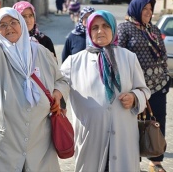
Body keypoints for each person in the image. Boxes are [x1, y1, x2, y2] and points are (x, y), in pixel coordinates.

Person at [0, 0, 68, 171]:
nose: (9, 28)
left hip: (40, 141)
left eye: (13, 22)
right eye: (2, 25)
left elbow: (61, 80)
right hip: (5, 142)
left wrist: (57, 93)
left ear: (22, 25)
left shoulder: (41, 52)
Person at [60, 10, 151, 171]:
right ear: (88, 31)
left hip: (124, 135)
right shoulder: (74, 62)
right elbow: (59, 87)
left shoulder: (129, 58)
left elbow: (144, 90)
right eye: (94, 27)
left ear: (113, 29)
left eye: (105, 26)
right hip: (91, 137)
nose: (100, 31)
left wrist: (135, 97)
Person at [117, 0, 170, 172]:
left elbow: (162, 54)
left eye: (150, 9)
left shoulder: (153, 29)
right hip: (136, 90)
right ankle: (133, 162)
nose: (148, 12)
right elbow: (118, 56)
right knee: (134, 125)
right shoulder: (124, 29)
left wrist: (165, 77)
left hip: (157, 87)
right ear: (136, 10)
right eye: (144, 9)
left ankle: (156, 162)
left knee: (157, 123)